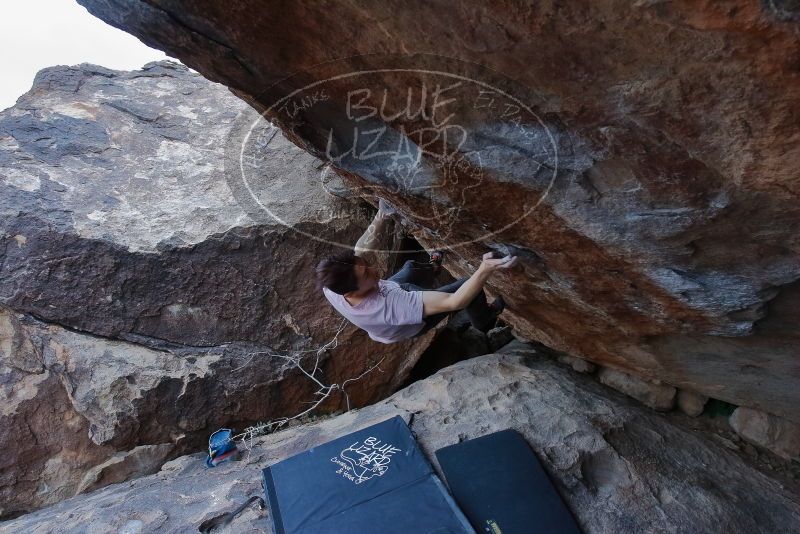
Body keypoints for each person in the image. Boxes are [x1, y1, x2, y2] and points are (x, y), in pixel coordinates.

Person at [315, 200, 518, 344]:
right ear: (351, 292)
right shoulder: (391, 307)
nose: (375, 270)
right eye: (367, 275)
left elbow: (359, 251)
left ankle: (434, 268)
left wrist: (382, 215)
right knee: (469, 288)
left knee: (411, 267)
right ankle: (484, 320)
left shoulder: (332, 286)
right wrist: (484, 269)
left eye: (366, 266)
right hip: (412, 323)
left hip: (392, 295)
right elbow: (455, 301)